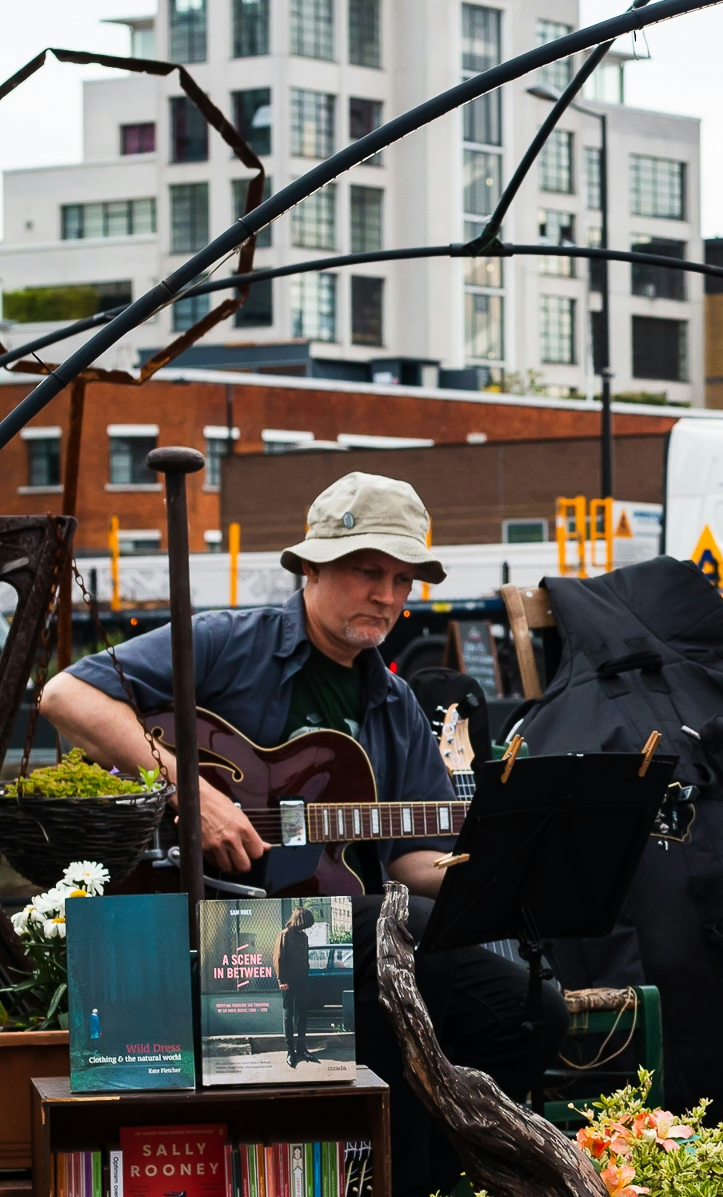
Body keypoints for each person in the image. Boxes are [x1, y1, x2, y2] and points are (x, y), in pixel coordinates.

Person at [39, 473, 566, 1197]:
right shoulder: (230, 643)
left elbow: (412, 858)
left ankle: (430, 1179)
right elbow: (65, 694)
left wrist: (508, 861)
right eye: (368, 572)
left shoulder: (394, 702)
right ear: (312, 567)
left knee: (530, 1012)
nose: (387, 596)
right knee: (400, 939)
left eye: (402, 580)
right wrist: (192, 792)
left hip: (347, 937)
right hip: (213, 926)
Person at [275, 906, 315, 1067]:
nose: (307, 927)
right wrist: (281, 980)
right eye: (306, 923)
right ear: (300, 920)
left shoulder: (303, 936)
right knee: (288, 1014)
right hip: (288, 982)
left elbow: (305, 959)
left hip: (302, 981)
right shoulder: (285, 934)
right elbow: (278, 958)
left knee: (302, 1014)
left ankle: (301, 1047)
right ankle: (290, 1050)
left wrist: (306, 976)